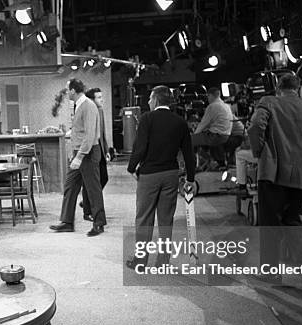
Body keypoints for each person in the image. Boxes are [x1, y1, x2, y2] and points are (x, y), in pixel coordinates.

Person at [249, 74, 302, 279]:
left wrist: (259, 153)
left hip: (273, 173)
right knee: (292, 218)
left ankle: (271, 272)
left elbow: (255, 126)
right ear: (299, 89)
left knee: (270, 223)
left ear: (278, 89)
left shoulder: (269, 102)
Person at [126, 85, 196, 269]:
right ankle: (163, 261)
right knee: (166, 219)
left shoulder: (147, 119)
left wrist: (132, 168)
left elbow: (139, 147)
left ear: (156, 100)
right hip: (171, 174)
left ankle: (141, 260)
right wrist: (190, 177)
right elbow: (188, 153)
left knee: (144, 218)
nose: (148, 101)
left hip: (149, 174)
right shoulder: (180, 122)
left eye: (150, 98)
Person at [50, 78, 107, 236]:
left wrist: (79, 156)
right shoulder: (78, 105)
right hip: (79, 152)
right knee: (70, 186)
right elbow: (80, 130)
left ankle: (99, 223)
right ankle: (67, 222)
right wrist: (74, 153)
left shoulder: (88, 105)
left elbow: (89, 135)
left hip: (87, 153)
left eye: (67, 90)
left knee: (92, 189)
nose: (66, 92)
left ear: (73, 91)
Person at [80, 87, 109, 222]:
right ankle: (88, 210)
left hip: (100, 149)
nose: (102, 99)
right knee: (90, 183)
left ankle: (88, 202)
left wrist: (107, 150)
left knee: (104, 178)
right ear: (91, 100)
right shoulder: (88, 111)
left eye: (101, 96)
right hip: (90, 151)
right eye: (99, 97)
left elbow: (102, 133)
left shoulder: (101, 111)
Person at [191, 87, 233, 170]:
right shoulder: (226, 106)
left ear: (210, 95)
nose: (207, 98)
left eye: (208, 96)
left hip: (215, 136)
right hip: (226, 135)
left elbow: (203, 124)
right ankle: (209, 160)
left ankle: (191, 166)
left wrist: (194, 134)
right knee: (200, 138)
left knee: (190, 140)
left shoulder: (212, 106)